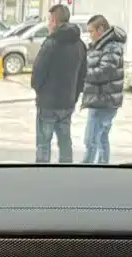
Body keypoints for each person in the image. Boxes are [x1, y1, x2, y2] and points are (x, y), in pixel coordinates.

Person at [30, 4, 87, 164]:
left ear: (55, 21)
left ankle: (42, 173)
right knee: (65, 142)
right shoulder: (80, 45)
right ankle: (66, 172)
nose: (48, 24)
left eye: (49, 20)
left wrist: (39, 91)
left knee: (43, 144)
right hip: (67, 103)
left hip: (48, 104)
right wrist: (74, 97)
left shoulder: (51, 43)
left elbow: (37, 73)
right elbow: (82, 76)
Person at [81, 15, 126, 164]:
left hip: (103, 100)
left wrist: (82, 74)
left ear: (101, 29)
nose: (90, 35)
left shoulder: (111, 46)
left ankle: (87, 168)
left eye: (91, 31)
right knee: (101, 138)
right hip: (103, 99)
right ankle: (103, 166)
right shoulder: (102, 45)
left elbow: (104, 72)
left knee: (91, 140)